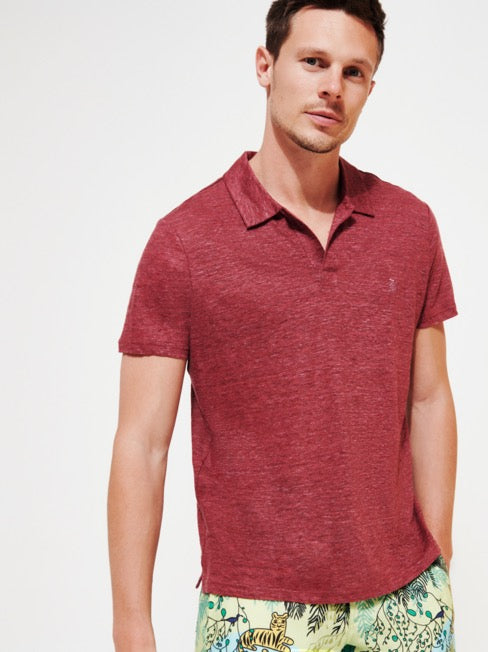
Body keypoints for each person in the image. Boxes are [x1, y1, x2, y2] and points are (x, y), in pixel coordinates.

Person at [107, 1, 459, 651]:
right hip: (255, 612)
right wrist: (132, 627)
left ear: (370, 88)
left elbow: (430, 397)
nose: (333, 87)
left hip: (404, 601)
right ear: (265, 66)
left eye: (354, 72)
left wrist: (437, 563)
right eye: (314, 62)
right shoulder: (185, 243)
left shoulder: (409, 226)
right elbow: (142, 443)